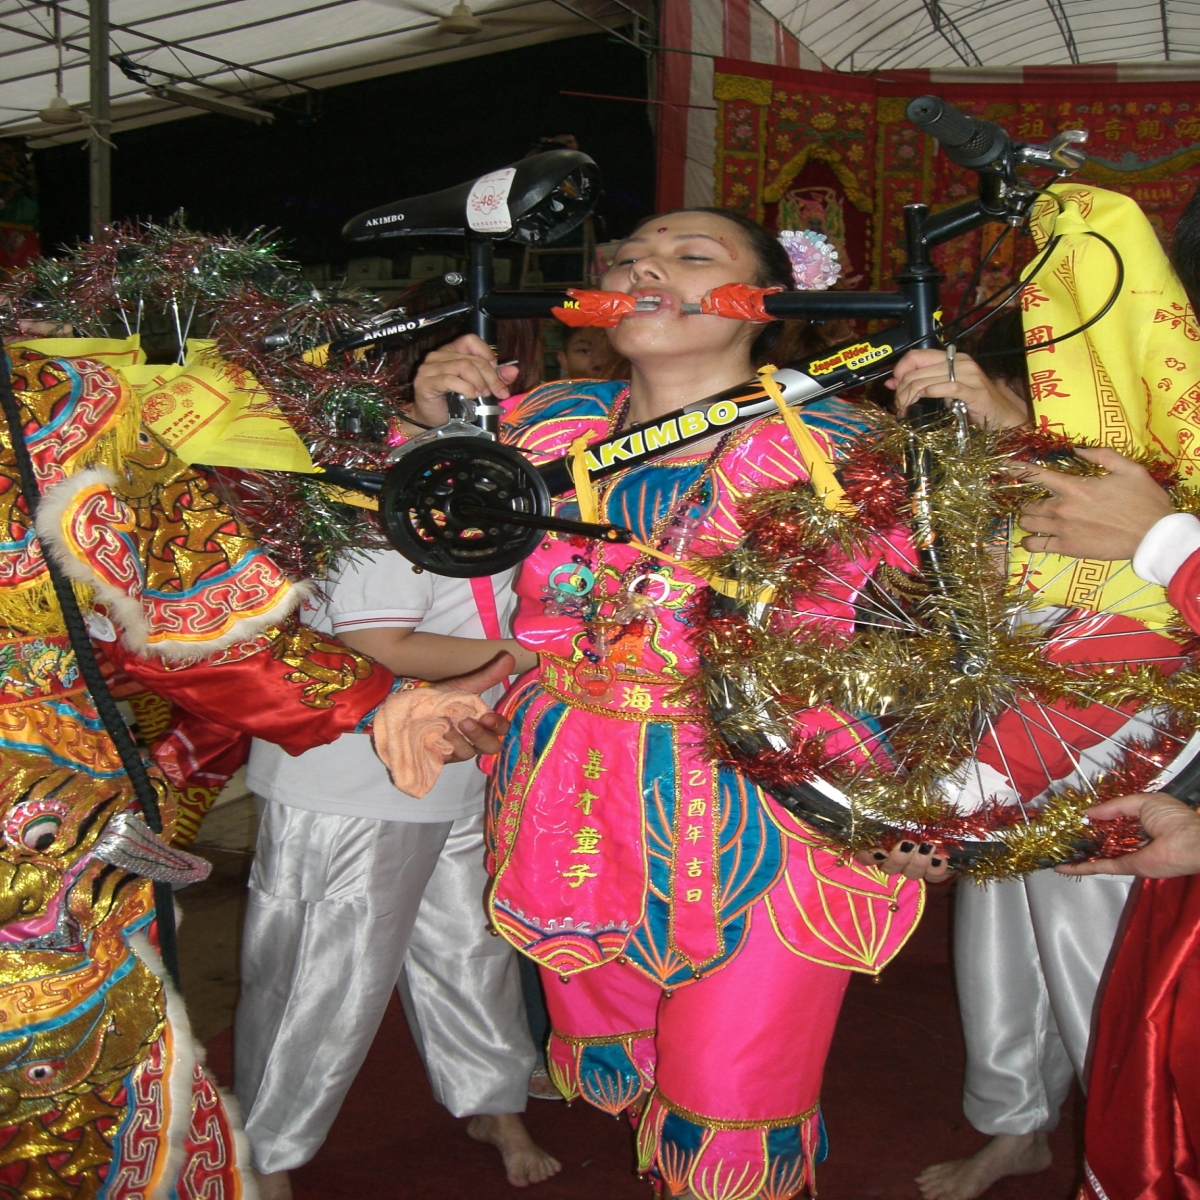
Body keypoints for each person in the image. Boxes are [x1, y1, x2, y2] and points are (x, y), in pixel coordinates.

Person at [407, 207, 936, 1200]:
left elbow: (986, 575)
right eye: (630, 260)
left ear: (764, 305)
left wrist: (970, 427)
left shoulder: (835, 446)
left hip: (769, 802)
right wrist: (438, 421)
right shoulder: (548, 426)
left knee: (728, 1104)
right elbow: (454, 552)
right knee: (644, 1082)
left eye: (692, 257)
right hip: (576, 798)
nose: (649, 269)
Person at [235, 509, 563, 1197]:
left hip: (462, 752)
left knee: (472, 947)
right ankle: (266, 1146)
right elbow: (376, 641)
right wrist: (542, 652)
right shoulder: (391, 486)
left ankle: (492, 1103)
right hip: (350, 779)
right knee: (317, 975)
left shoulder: (513, 464)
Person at [885, 332, 1137, 1200]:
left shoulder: (1135, 422)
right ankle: (1017, 1126)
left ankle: (1136, 1145)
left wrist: (1023, 430)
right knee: (998, 946)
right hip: (1004, 717)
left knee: (1092, 951)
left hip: (1113, 720)